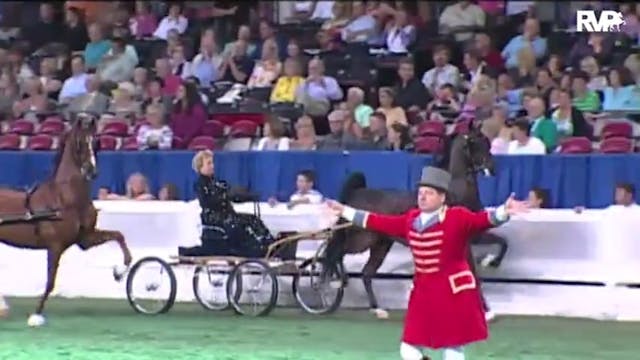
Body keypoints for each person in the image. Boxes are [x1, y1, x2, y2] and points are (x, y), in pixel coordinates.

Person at [326, 166, 529, 360]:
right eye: (421, 192)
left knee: (453, 346)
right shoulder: (411, 219)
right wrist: (345, 210)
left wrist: (504, 211)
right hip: (423, 293)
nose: (422, 196)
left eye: (429, 193)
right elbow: (377, 221)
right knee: (408, 348)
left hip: (452, 292)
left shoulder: (456, 217)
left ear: (442, 197)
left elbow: (483, 220)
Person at [179, 150, 276, 257]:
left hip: (227, 215)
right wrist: (226, 196)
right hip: (214, 217)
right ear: (200, 167)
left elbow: (233, 196)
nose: (212, 166)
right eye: (209, 163)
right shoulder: (200, 184)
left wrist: (249, 196)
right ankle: (250, 247)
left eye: (212, 162)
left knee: (252, 219)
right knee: (237, 222)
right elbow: (209, 201)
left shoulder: (219, 183)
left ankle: (269, 242)